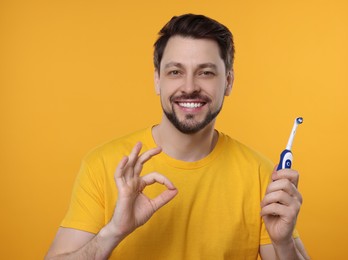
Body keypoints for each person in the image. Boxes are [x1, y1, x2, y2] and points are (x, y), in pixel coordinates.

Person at [45, 14, 309, 259]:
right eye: (175, 72)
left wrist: (284, 244)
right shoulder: (104, 165)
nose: (190, 87)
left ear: (228, 82)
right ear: (157, 80)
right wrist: (113, 231)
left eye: (205, 72)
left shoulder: (262, 176)